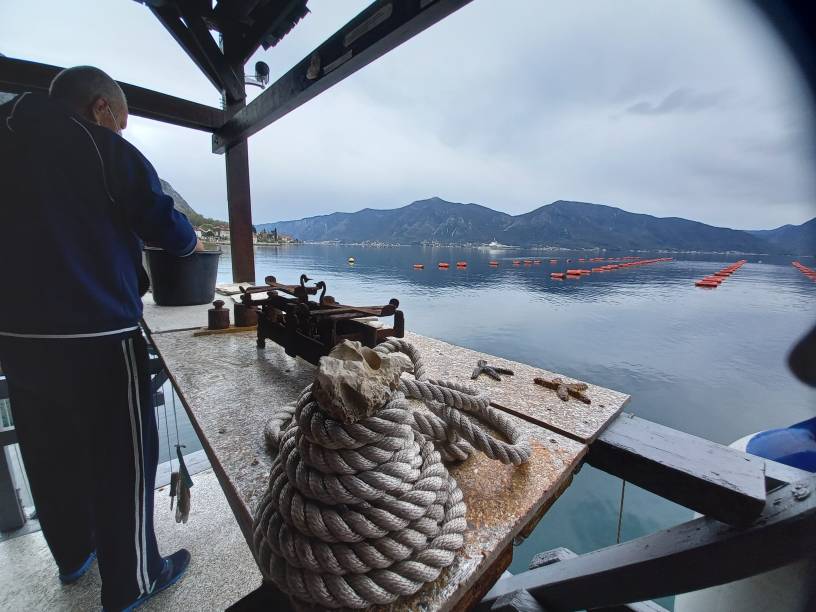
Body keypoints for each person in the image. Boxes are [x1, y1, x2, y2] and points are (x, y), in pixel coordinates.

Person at [0, 66, 201, 611]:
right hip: (100, 335)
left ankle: (73, 556)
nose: (120, 132)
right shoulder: (95, 145)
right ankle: (136, 579)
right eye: (121, 123)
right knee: (123, 461)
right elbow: (172, 234)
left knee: (47, 452)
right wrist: (191, 237)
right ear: (100, 109)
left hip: (16, 338)